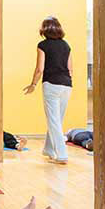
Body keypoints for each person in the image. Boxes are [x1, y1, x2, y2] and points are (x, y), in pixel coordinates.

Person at [23, 17, 73, 165]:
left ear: (44, 29)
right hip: (66, 85)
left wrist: (33, 84)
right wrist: (67, 82)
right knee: (57, 119)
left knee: (54, 120)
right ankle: (49, 149)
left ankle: (62, 154)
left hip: (51, 84)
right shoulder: (66, 45)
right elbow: (70, 69)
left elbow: (40, 69)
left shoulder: (43, 45)